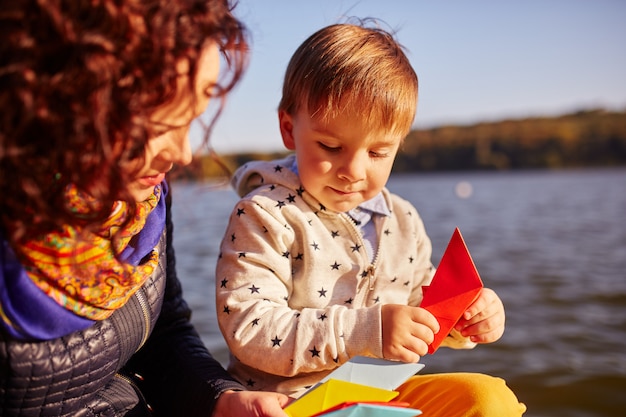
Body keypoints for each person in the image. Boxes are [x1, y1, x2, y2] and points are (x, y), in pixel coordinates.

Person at [215, 21, 526, 416]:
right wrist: (367, 332)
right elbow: (250, 327)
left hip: (379, 396)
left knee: (489, 400)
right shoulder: (264, 216)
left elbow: (422, 306)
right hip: (289, 404)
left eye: (378, 152)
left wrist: (466, 317)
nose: (354, 171)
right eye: (331, 146)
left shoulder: (403, 220)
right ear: (289, 129)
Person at [0, 0, 290, 416]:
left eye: (191, 117)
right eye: (156, 123)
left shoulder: (142, 199)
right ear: (69, 91)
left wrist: (220, 399)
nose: (184, 152)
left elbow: (165, 333)